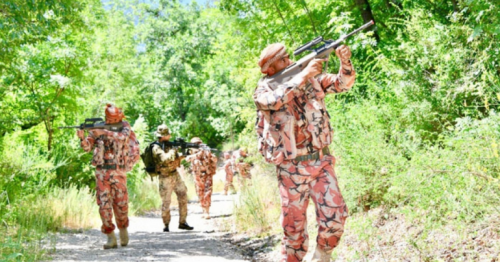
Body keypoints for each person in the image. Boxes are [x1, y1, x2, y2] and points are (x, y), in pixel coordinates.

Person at [253, 43, 355, 262]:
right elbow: (274, 102)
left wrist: (344, 61)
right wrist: (304, 75)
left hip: (321, 162)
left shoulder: (311, 79)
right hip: (291, 169)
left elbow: (342, 84)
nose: (290, 61)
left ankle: (322, 256)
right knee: (294, 233)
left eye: (289, 57)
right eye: (284, 59)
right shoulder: (265, 90)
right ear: (269, 68)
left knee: (335, 217)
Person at [77, 104, 138, 249]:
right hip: (102, 172)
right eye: (109, 119)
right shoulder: (97, 128)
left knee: (121, 204)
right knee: (103, 205)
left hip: (119, 171)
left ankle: (123, 230)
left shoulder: (124, 126)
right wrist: (82, 139)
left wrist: (104, 132)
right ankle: (110, 237)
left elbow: (123, 138)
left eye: (114, 119)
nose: (111, 122)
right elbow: (87, 148)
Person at [152, 124, 193, 232]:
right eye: (168, 134)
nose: (170, 136)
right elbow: (165, 159)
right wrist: (174, 150)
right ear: (163, 135)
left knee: (183, 195)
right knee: (166, 201)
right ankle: (166, 224)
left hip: (175, 174)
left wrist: (184, 154)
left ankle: (182, 222)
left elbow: (174, 157)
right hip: (165, 177)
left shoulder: (169, 145)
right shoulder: (156, 148)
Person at [186, 137, 217, 219]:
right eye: (196, 143)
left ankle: (207, 211)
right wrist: (197, 154)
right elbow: (187, 159)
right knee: (200, 193)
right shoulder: (191, 151)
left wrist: (208, 154)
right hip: (197, 175)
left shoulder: (206, 150)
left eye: (199, 143)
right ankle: (203, 210)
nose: (198, 144)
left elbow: (214, 159)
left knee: (207, 192)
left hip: (207, 174)